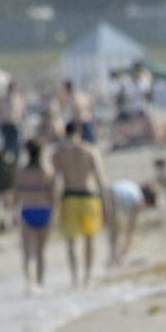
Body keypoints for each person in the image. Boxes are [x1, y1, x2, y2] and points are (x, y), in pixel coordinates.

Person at [52, 120, 108, 287]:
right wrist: (106, 202)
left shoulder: (59, 153)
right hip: (89, 196)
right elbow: (100, 178)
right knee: (90, 239)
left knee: (71, 241)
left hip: (69, 197)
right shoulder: (90, 150)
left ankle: (74, 278)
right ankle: (88, 276)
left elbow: (56, 181)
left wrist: (54, 207)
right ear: (80, 132)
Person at [14, 139, 56, 290]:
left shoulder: (22, 172)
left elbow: (16, 196)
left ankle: (29, 283)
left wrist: (12, 212)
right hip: (44, 211)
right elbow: (53, 197)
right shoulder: (48, 171)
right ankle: (40, 282)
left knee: (28, 252)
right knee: (41, 251)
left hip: (28, 210)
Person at [107, 178, 156, 266]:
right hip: (114, 199)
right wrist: (126, 248)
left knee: (113, 231)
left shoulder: (133, 186)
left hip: (106, 192)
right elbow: (131, 228)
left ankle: (112, 258)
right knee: (116, 232)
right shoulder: (139, 199)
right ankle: (114, 259)